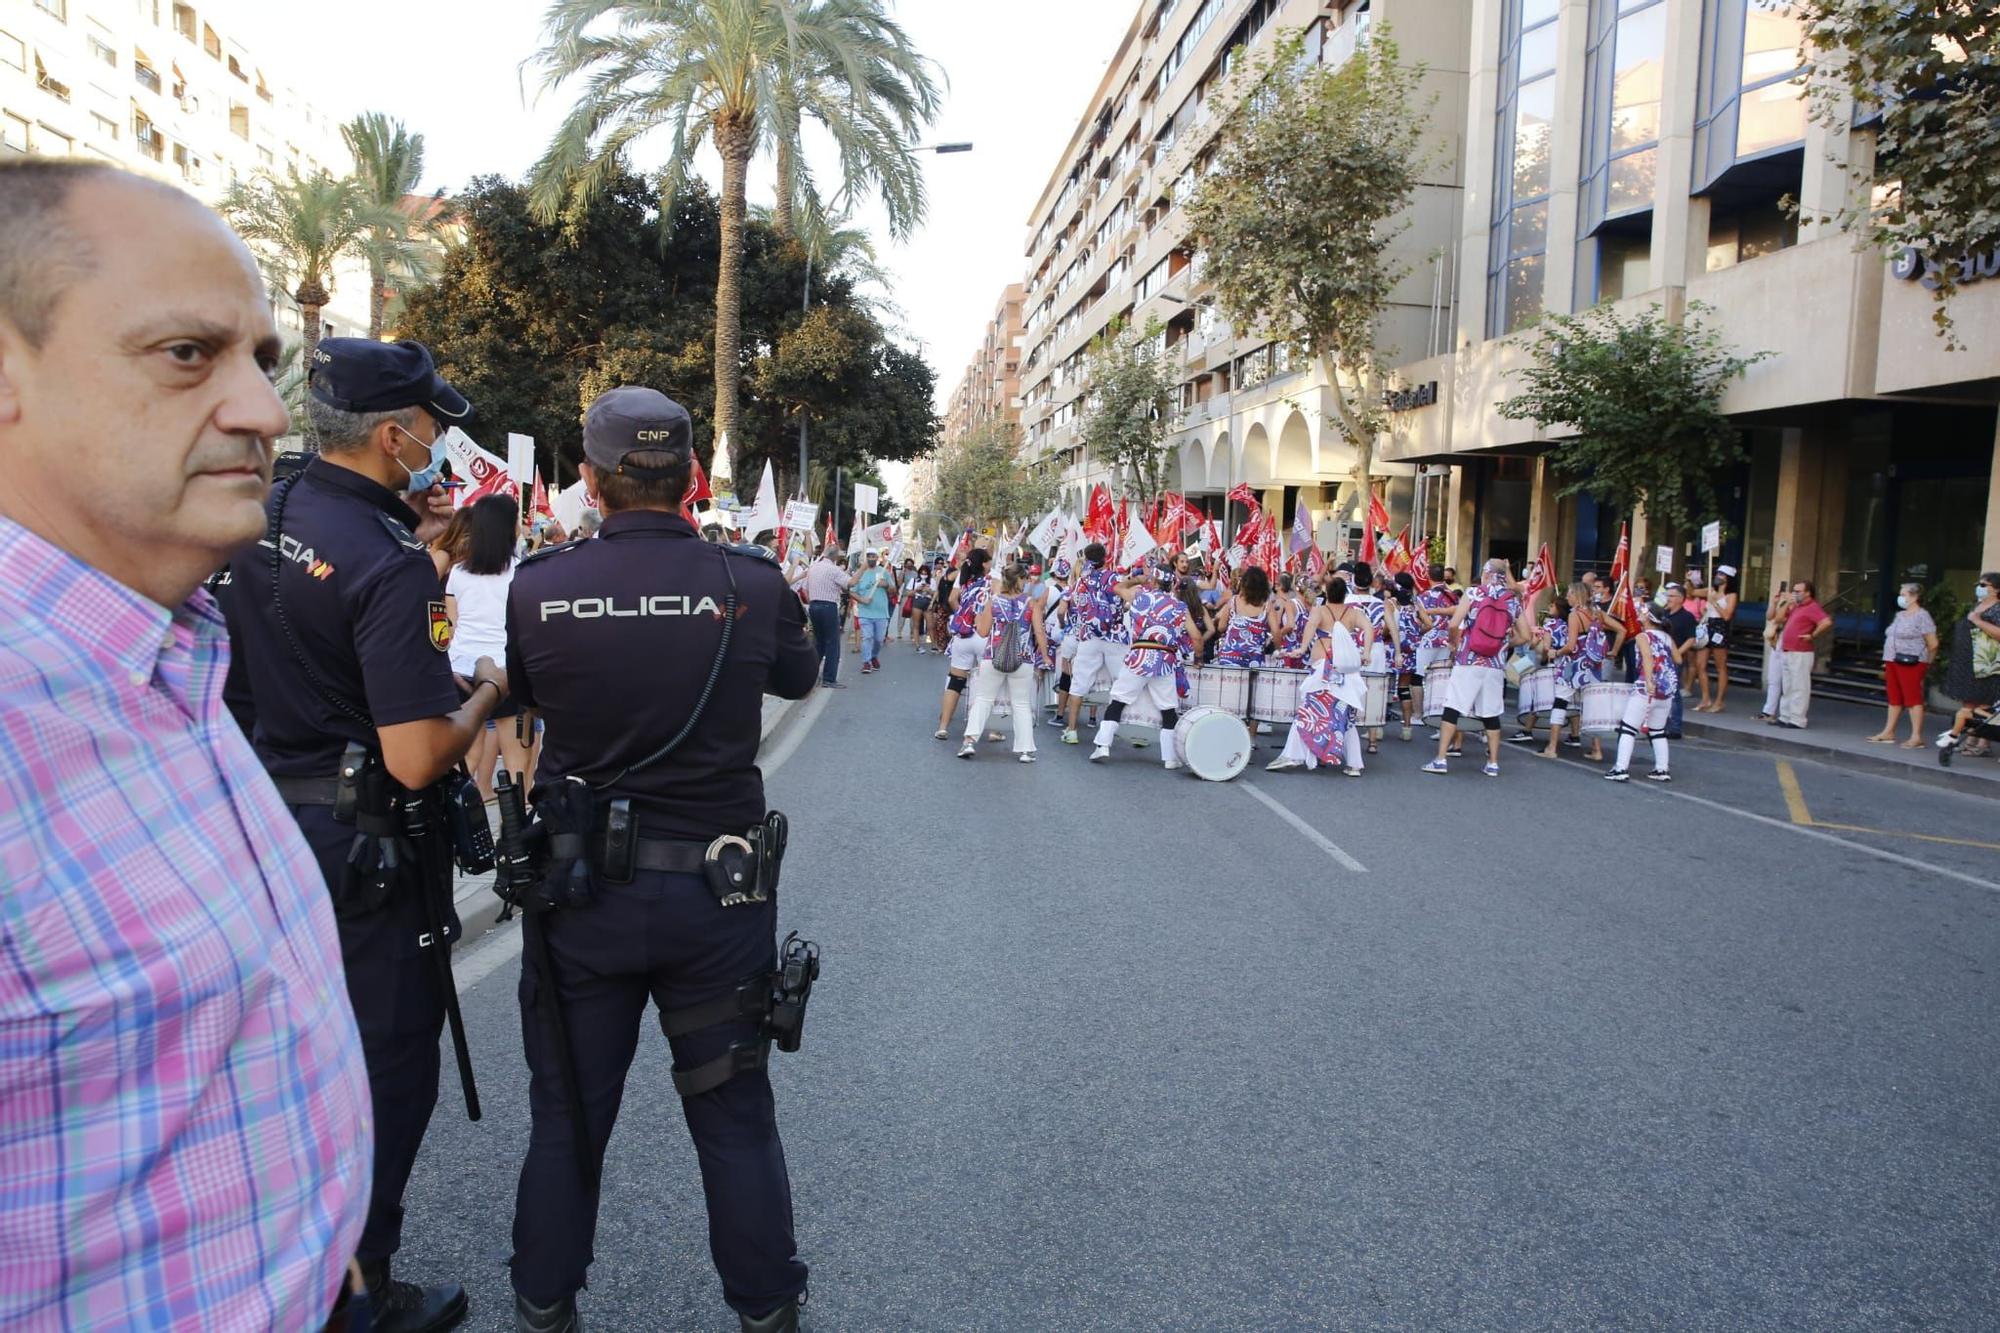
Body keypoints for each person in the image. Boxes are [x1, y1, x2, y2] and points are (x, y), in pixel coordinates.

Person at [0, 158, 373, 1329]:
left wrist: (320, 1239)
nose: (264, 409)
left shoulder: (169, 653)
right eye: (185, 354)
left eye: (263, 357)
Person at [502, 387, 817, 1333]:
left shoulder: (537, 584)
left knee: (567, 1114)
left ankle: (544, 1300)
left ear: (590, 483)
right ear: (689, 479)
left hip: (580, 896)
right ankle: (766, 1308)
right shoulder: (751, 581)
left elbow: (516, 692)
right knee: (733, 1114)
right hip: (717, 904)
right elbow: (802, 673)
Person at [221, 334, 501, 1332]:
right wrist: (484, 697)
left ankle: (284, 1256)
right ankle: (358, 1286)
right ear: (392, 435)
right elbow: (420, 753)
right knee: (384, 1066)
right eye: (429, 428)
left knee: (280, 1057)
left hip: (260, 823)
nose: (439, 448)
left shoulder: (264, 509)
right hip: (365, 848)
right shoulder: (389, 568)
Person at [448, 495, 530, 802]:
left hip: (461, 672)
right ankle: (518, 833)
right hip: (506, 672)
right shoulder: (521, 572)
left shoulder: (457, 573)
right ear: (507, 528)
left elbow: (452, 624)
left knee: (467, 757)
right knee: (516, 762)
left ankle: (462, 829)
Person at [1423, 558, 1525, 778]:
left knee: (1453, 707)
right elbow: (1526, 635)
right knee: (1491, 712)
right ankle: (1493, 763)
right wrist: (1503, 645)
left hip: (1469, 660)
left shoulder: (1474, 593)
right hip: (1495, 665)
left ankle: (1441, 759)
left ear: (1486, 573)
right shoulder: (1513, 599)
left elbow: (1453, 624)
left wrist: (1454, 643)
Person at [1089, 568, 1197, 768]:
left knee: (1118, 701)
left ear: (1153, 580)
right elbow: (1196, 636)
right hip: (1164, 660)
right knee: (1168, 710)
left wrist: (1137, 579)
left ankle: (1102, 746)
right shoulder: (1180, 606)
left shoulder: (1138, 597)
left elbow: (1117, 587)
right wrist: (1198, 657)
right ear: (1172, 583)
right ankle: (1170, 758)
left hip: (1138, 657)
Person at [1266, 577, 1371, 775]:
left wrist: (1302, 648)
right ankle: (1354, 764)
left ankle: (1292, 755)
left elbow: (1310, 628)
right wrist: (1366, 652)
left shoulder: (1320, 611)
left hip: (1323, 669)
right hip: (1345, 670)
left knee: (1308, 713)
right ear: (1344, 594)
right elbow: (1369, 628)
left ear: (1328, 593)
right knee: (1344, 716)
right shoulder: (1354, 613)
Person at [961, 563, 1050, 761]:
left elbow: (983, 632)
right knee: (1021, 704)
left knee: (983, 699)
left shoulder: (993, 601)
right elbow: (1039, 632)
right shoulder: (1031, 603)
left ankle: (969, 741)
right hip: (1023, 658)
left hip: (993, 656)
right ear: (1021, 580)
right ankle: (1025, 750)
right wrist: (1044, 656)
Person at [1605, 604, 1679, 782]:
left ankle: (1621, 768)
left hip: (1646, 688)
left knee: (1628, 728)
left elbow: (1647, 658)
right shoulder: (1667, 638)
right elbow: (1678, 658)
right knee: (1657, 730)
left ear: (1649, 617)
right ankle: (1662, 769)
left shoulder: (1642, 636)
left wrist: (1648, 680)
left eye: (1642, 612)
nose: (1638, 614)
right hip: (1666, 689)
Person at [1061, 543, 1125, 745]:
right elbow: (1123, 602)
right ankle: (1126, 729)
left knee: (1079, 684)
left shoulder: (1081, 581)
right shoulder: (1114, 578)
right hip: (1114, 636)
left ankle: (1071, 730)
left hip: (1088, 637)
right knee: (1122, 683)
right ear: (1105, 558)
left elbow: (1074, 607)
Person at [1869, 582, 1938, 748]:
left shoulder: (1922, 616)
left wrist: (1927, 662)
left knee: (1913, 698)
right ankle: (1888, 731)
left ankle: (1916, 736)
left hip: (1911, 661)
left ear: (1914, 597)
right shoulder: (1900, 615)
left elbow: (1933, 643)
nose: (1900, 598)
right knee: (1894, 697)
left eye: (1904, 595)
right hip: (1893, 660)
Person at [935, 547, 993, 739]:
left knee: (955, 682)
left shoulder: (963, 577)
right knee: (987, 684)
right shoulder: (993, 580)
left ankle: (943, 727)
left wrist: (964, 615)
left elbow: (952, 599)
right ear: (984, 564)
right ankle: (990, 730)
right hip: (984, 635)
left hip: (963, 635)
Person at [1939, 573, 2000, 757]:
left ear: (1996, 589)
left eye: (1984, 584)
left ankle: (1982, 743)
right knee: (1969, 702)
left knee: (1983, 704)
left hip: (1987, 664)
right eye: (1978, 584)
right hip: (1970, 664)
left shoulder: (1997, 609)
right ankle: (1970, 738)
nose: (1979, 587)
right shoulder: (1978, 605)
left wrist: (1977, 621)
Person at [1773, 579, 1832, 728]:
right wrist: (1786, 602)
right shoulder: (1797, 607)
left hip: (1801, 652)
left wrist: (1813, 635)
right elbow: (1779, 619)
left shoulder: (1812, 607)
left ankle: (1797, 719)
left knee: (1799, 686)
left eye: (1798, 591)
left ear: (1808, 593)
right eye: (1794, 591)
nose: (1795, 594)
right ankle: (1785, 715)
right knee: (1787, 685)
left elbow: (1826, 622)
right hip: (1789, 650)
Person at [796, 544, 850, 688]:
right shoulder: (834, 570)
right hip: (829, 606)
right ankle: (829, 678)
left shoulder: (813, 567)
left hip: (814, 606)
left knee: (818, 642)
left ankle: (811, 675)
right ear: (835, 557)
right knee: (832, 643)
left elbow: (805, 589)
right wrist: (862, 569)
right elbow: (849, 583)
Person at [1212, 565, 1279, 666]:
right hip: (1254, 659)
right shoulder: (1267, 606)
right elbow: (1276, 631)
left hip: (1230, 657)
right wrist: (1278, 650)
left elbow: (1221, 627)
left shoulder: (1233, 601)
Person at [1694, 566, 1738, 711]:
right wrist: (1691, 579)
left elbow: (1727, 615)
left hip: (1720, 627)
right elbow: (1691, 592)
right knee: (1700, 664)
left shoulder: (1731, 595)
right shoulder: (1710, 591)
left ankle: (1719, 701)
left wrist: (1714, 602)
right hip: (1707, 624)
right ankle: (1705, 699)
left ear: (1728, 577)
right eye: (1717, 573)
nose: (1718, 576)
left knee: (1721, 666)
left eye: (1721, 574)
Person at [1658, 584, 1697, 739]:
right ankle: (1660, 724)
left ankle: (1675, 727)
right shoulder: (1664, 614)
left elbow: (1691, 639)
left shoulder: (1687, 617)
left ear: (1681, 599)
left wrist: (1677, 653)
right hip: (1661, 656)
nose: (1669, 598)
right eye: (1668, 595)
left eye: (1672, 596)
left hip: (1674, 658)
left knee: (1673, 693)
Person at [1755, 585, 1796, 722]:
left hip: (1790, 644)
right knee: (1773, 679)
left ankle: (1789, 713)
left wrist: (1789, 603)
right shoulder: (1784, 604)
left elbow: (1780, 619)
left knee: (1788, 681)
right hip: (1777, 642)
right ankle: (1768, 711)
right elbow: (1770, 616)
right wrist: (1774, 603)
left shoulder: (1797, 607)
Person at [852, 549, 893, 674]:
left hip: (881, 613)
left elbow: (893, 590)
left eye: (873, 556)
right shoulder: (860, 573)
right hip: (865, 612)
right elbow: (852, 591)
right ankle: (866, 662)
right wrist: (862, 600)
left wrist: (885, 585)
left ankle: (873, 655)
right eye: (868, 556)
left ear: (877, 558)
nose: (871, 558)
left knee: (878, 639)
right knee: (867, 637)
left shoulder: (883, 572)